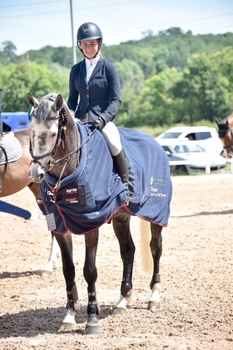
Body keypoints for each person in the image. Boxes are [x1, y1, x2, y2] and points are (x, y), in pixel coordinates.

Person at [67, 22, 129, 199]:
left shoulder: (109, 68)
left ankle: (126, 187)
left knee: (114, 143)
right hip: (80, 119)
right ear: (79, 46)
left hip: (103, 120)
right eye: (84, 45)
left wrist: (104, 118)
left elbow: (116, 100)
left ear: (99, 43)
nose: (88, 48)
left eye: (92, 44)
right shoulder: (76, 70)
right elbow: (72, 100)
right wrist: (69, 117)